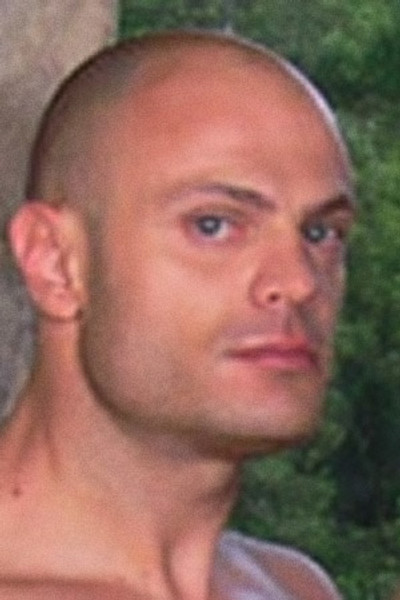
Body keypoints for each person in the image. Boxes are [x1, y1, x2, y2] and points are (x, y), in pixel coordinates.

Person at [1, 29, 355, 599]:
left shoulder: (294, 587)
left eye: (320, 233)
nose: (298, 281)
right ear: (55, 263)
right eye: (213, 225)